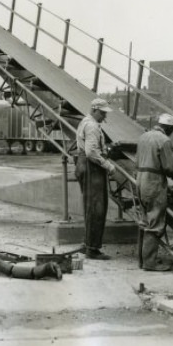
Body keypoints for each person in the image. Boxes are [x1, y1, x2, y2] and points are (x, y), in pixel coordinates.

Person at [136, 113, 173, 271]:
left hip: (140, 179)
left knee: (144, 220)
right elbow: (168, 166)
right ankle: (150, 263)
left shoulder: (144, 136)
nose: (172, 132)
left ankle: (141, 260)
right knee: (155, 222)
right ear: (168, 128)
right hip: (154, 182)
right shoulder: (164, 140)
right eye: (172, 129)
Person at [74, 98, 116, 260]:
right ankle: (92, 248)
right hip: (92, 168)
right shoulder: (92, 126)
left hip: (84, 165)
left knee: (90, 206)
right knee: (97, 208)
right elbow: (91, 152)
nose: (104, 116)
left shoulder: (85, 122)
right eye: (102, 112)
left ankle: (88, 244)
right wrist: (108, 165)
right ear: (94, 110)